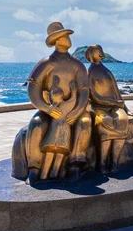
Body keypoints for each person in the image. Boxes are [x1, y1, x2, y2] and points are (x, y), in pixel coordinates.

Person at [24, 22, 92, 184]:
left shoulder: (77, 65)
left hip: (74, 109)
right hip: (51, 109)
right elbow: (33, 89)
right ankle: (35, 168)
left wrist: (78, 110)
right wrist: (46, 108)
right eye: (65, 36)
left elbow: (84, 90)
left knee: (85, 122)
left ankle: (75, 165)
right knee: (36, 123)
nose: (68, 39)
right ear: (57, 40)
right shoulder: (46, 63)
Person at [85, 45, 129, 174]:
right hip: (98, 107)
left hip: (113, 106)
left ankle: (114, 161)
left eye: (96, 51)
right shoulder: (89, 72)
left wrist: (125, 108)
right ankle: (102, 163)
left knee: (123, 120)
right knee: (106, 122)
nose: (95, 54)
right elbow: (92, 95)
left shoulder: (107, 71)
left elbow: (116, 92)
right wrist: (109, 102)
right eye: (92, 52)